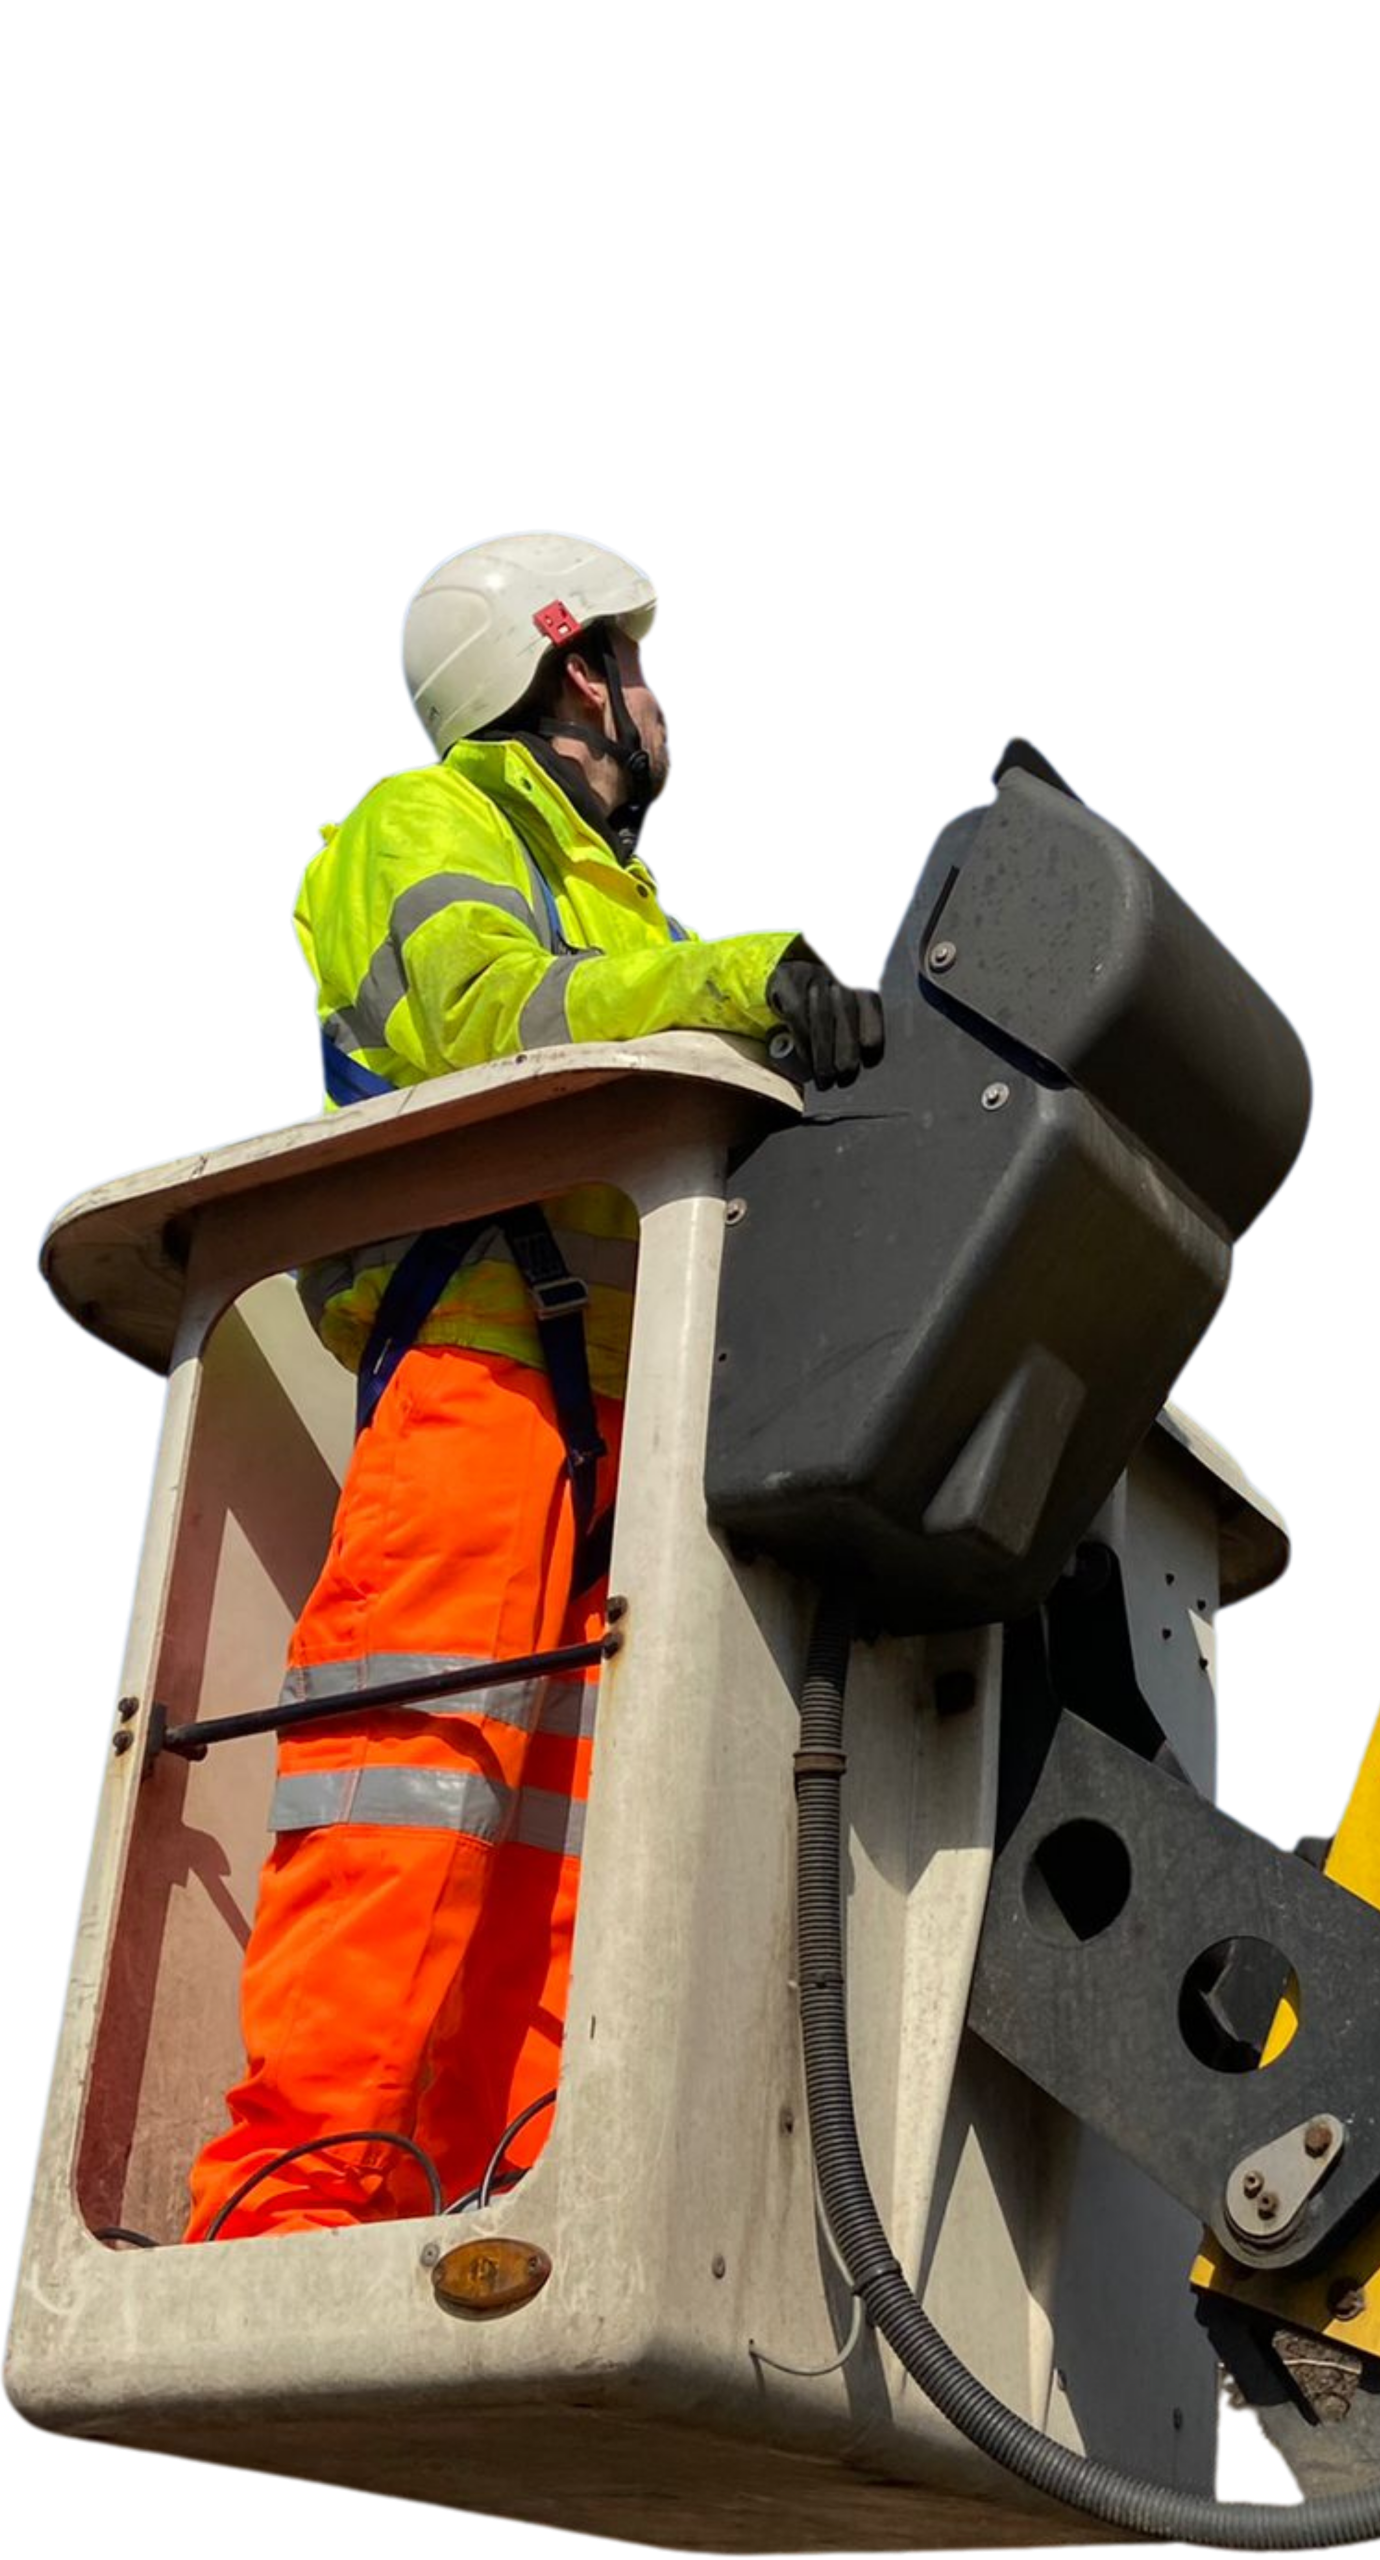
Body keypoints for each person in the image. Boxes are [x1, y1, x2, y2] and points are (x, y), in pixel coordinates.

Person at [186, 530, 883, 2240]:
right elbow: (494, 1019)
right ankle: (285, 2217)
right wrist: (746, 985)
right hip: (480, 1389)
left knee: (582, 1836)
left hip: (619, 1431)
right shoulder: (415, 827)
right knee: (406, 1788)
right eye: (639, 666)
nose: (656, 700)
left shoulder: (630, 899)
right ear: (579, 670)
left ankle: (510, 2199)